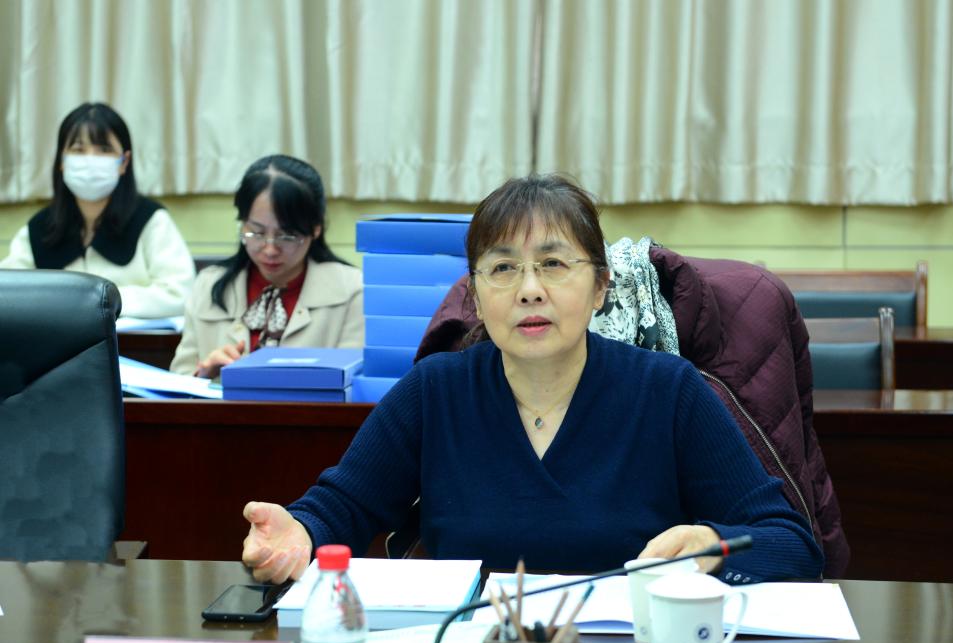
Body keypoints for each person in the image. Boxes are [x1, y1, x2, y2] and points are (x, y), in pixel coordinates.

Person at [241, 174, 824, 584]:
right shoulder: (434, 392)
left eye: (553, 264)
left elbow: (792, 543)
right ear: (475, 295)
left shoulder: (669, 392)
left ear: (600, 287)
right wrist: (300, 532)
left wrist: (713, 548)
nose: (528, 290)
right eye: (502, 268)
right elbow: (340, 507)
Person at [169, 155, 364, 378]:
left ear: (315, 228)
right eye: (257, 232)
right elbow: (178, 383)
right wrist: (202, 375)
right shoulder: (208, 285)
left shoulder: (351, 290)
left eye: (287, 235)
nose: (270, 249)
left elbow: (354, 385)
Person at [1, 103, 195, 319]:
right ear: (62, 161)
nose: (90, 160)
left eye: (104, 150)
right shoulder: (39, 228)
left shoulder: (151, 221)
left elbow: (180, 293)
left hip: (131, 339)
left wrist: (101, 301)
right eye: (78, 150)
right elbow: (7, 292)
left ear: (124, 162)